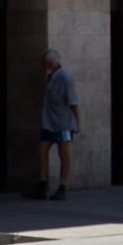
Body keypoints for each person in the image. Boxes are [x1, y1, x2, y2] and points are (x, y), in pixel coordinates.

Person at [24, 49, 80, 201]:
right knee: (42, 151)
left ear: (50, 63)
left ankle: (62, 187)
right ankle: (42, 185)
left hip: (62, 123)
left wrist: (77, 123)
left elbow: (73, 102)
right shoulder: (50, 77)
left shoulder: (65, 78)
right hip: (48, 122)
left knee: (64, 154)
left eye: (44, 63)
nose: (42, 66)